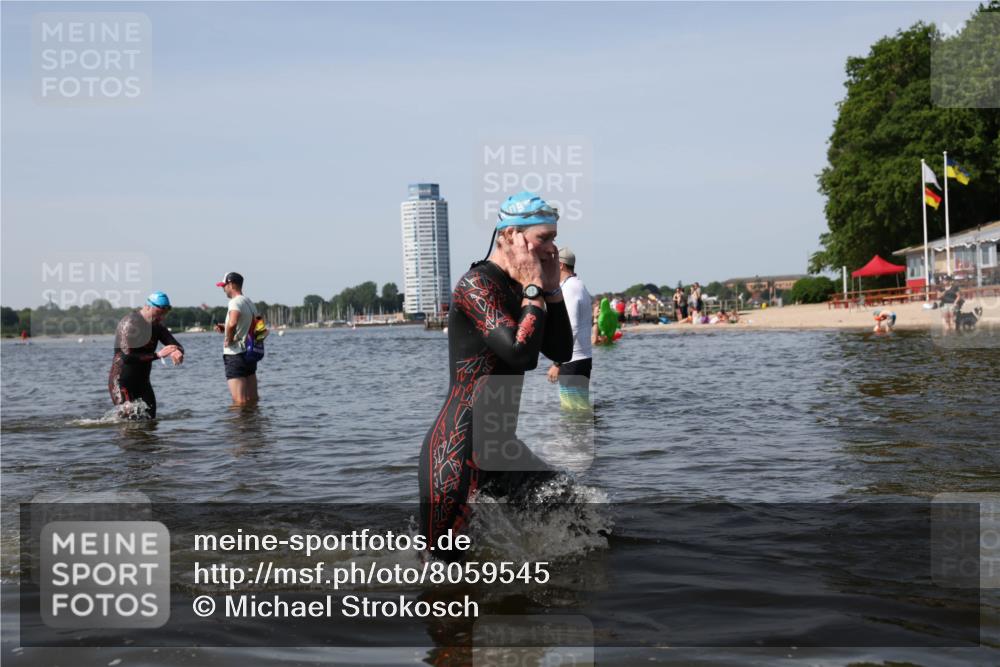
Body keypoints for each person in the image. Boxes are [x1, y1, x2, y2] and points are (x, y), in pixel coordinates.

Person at [419, 192, 573, 560]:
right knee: (442, 576)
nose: (553, 249)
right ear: (510, 237)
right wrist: (535, 288)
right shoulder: (476, 285)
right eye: (544, 239)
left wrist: (550, 290)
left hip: (503, 451)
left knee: (574, 512)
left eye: (554, 237)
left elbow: (561, 352)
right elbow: (520, 354)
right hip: (458, 454)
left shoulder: (523, 287)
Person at [108, 291, 184, 419]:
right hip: (122, 382)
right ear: (147, 307)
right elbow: (126, 357)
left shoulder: (156, 326)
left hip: (143, 383)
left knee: (150, 421)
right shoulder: (130, 323)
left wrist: (177, 351)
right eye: (159, 313)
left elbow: (177, 345)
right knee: (128, 424)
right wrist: (158, 355)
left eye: (164, 314)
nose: (161, 318)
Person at [546, 247, 593, 411]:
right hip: (581, 359)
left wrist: (558, 363)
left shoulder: (569, 289)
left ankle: (579, 436)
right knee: (579, 409)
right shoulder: (579, 285)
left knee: (573, 411)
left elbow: (571, 326)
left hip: (572, 360)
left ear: (560, 265)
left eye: (551, 262)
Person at [214, 271, 259, 405]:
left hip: (235, 355)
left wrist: (229, 338)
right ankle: (253, 424)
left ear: (231, 284)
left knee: (239, 401)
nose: (223, 289)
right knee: (252, 399)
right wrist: (225, 326)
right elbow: (258, 326)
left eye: (224, 286)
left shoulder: (234, 302)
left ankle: (238, 426)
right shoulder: (249, 302)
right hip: (250, 354)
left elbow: (233, 322)